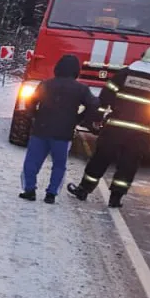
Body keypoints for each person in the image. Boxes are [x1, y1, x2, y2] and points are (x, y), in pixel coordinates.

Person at [68, 45, 150, 208]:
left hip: (115, 128)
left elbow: (106, 96)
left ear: (143, 55)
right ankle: (116, 199)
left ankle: (83, 190)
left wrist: (97, 116)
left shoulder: (125, 73)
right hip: (141, 132)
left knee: (100, 159)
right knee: (128, 165)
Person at [20, 54, 100, 204]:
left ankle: (29, 190)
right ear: (76, 71)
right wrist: (80, 118)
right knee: (59, 165)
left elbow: (30, 101)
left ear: (57, 68)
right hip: (64, 133)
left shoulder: (45, 84)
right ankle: (51, 194)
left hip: (41, 130)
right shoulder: (81, 89)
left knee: (32, 161)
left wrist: (35, 115)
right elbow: (94, 105)